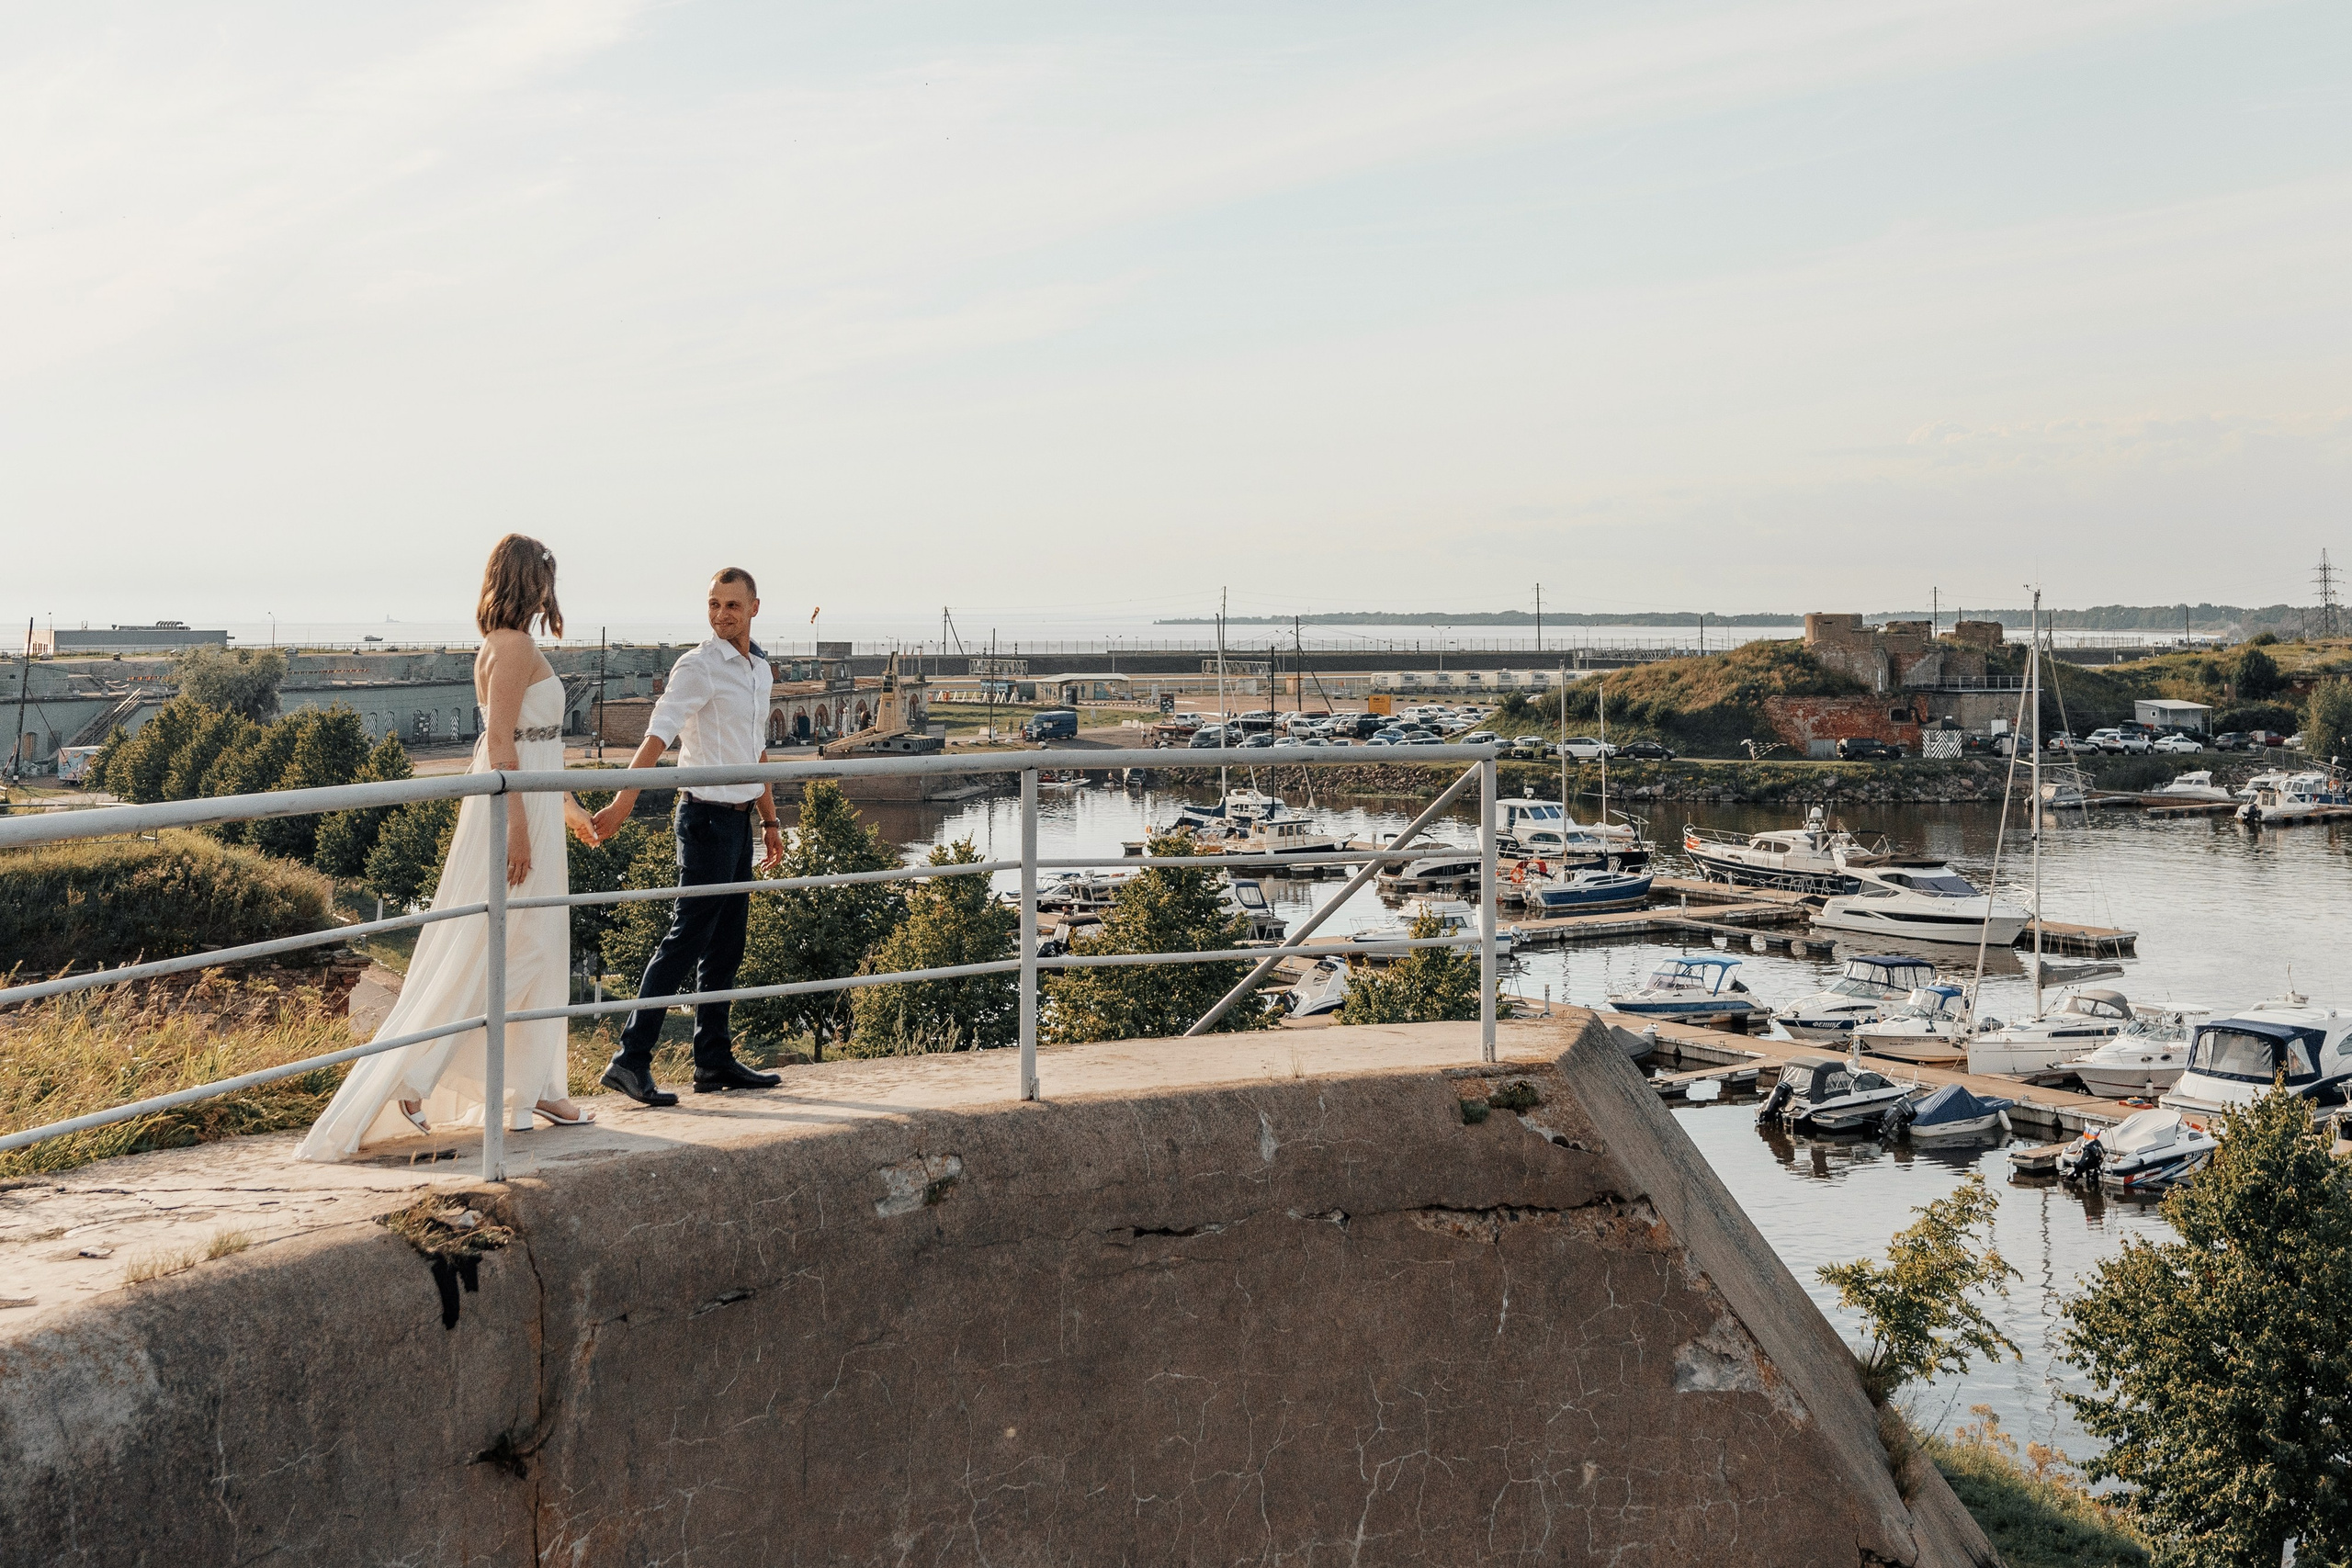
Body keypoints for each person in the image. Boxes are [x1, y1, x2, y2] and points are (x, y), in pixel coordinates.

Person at [299, 535, 602, 1161]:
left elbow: (532, 740)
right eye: (545, 579)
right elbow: (502, 746)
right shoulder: (513, 647)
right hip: (517, 809)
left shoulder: (498, 644)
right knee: (518, 948)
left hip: (533, 804)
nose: (551, 592)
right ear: (527, 582)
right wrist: (521, 825)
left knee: (527, 945)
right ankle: (420, 1077)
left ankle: (530, 1088)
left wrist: (563, 807)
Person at [590, 568, 786, 1104]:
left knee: (727, 946)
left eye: (732, 606)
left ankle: (712, 1060)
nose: (722, 615)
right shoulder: (697, 666)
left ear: (754, 608)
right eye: (714, 604)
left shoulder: (758, 670)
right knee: (686, 941)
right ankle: (631, 1059)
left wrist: (770, 821)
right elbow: (660, 731)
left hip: (740, 820)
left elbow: (756, 750)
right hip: (702, 821)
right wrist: (624, 800)